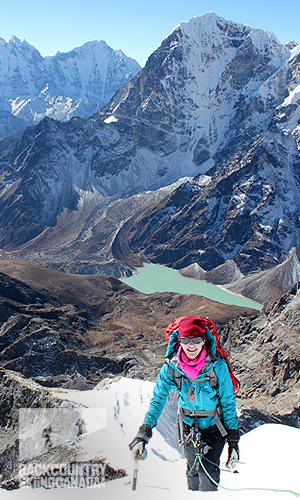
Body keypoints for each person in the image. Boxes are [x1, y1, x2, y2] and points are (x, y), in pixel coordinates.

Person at [129, 316, 239, 491]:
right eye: (186, 340)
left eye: (196, 340)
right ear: (179, 341)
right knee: (193, 470)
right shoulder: (172, 368)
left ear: (204, 341)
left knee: (207, 471)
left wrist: (233, 440)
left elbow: (228, 401)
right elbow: (158, 400)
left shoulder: (218, 367)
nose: (191, 345)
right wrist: (144, 432)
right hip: (187, 427)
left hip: (214, 426)